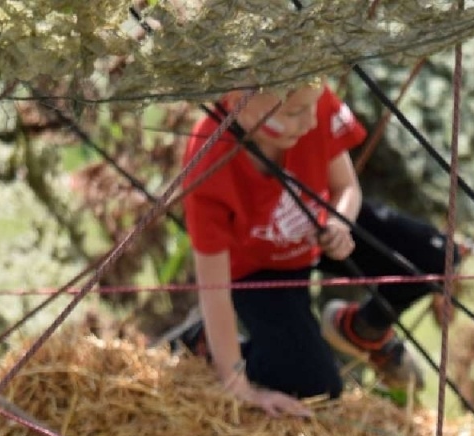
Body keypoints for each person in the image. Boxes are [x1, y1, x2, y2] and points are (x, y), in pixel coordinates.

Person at [181, 81, 451, 416]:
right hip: (259, 267)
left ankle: (362, 328)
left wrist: (341, 223)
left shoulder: (309, 96)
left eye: (313, 107)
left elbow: (346, 187)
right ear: (238, 102)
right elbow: (214, 288)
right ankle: (208, 347)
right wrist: (238, 386)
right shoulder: (208, 163)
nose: (310, 121)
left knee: (436, 254)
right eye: (294, 113)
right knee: (317, 388)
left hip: (320, 227)